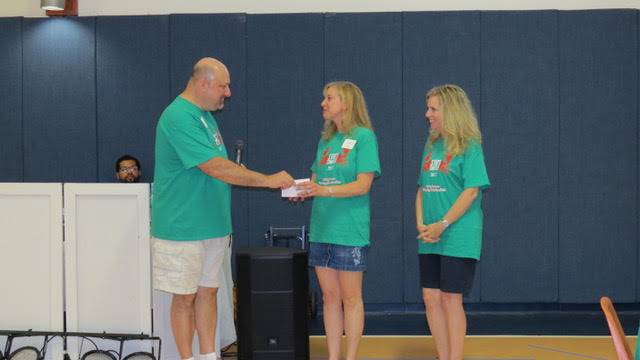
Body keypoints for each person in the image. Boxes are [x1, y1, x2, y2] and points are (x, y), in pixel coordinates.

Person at [151, 57, 295, 360]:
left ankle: (208, 355)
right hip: (183, 228)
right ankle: (186, 357)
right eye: (223, 86)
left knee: (209, 293)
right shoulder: (177, 116)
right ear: (203, 83)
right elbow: (216, 167)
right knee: (184, 298)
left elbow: (222, 167)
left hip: (214, 226)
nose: (227, 93)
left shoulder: (206, 117)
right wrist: (268, 180)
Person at [296, 81, 381, 360]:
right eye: (324, 98)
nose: (323, 102)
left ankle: (350, 356)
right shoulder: (326, 140)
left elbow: (362, 185)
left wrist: (324, 189)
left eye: (329, 98)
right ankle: (333, 356)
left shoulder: (364, 137)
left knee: (351, 298)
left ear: (346, 102)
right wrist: (303, 190)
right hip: (322, 229)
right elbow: (315, 181)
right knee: (329, 297)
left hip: (349, 230)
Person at [415, 84, 490, 360]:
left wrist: (443, 223)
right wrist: (422, 222)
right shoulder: (432, 144)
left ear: (452, 111)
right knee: (431, 298)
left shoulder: (470, 145)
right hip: (431, 235)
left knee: (450, 298)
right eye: (428, 108)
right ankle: (442, 354)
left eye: (433, 109)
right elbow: (422, 188)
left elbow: (471, 191)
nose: (428, 114)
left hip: (458, 234)